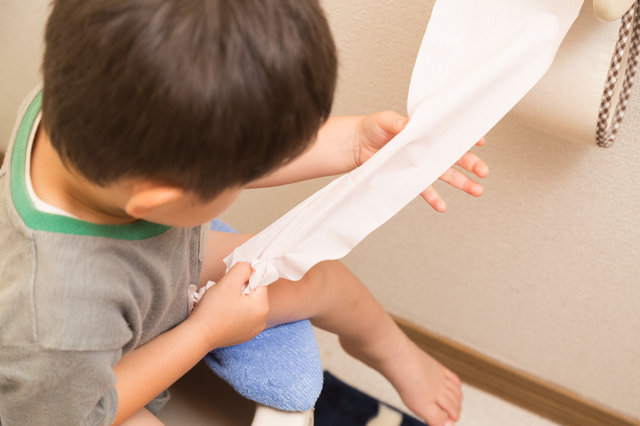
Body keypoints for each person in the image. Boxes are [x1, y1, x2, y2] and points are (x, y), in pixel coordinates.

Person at [0, 0, 488, 425]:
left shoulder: (88, 98)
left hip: (153, 280)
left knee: (319, 275)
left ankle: (390, 350)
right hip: (67, 402)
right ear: (158, 201)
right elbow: (77, 413)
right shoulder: (57, 314)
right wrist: (204, 333)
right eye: (239, 178)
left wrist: (355, 142)